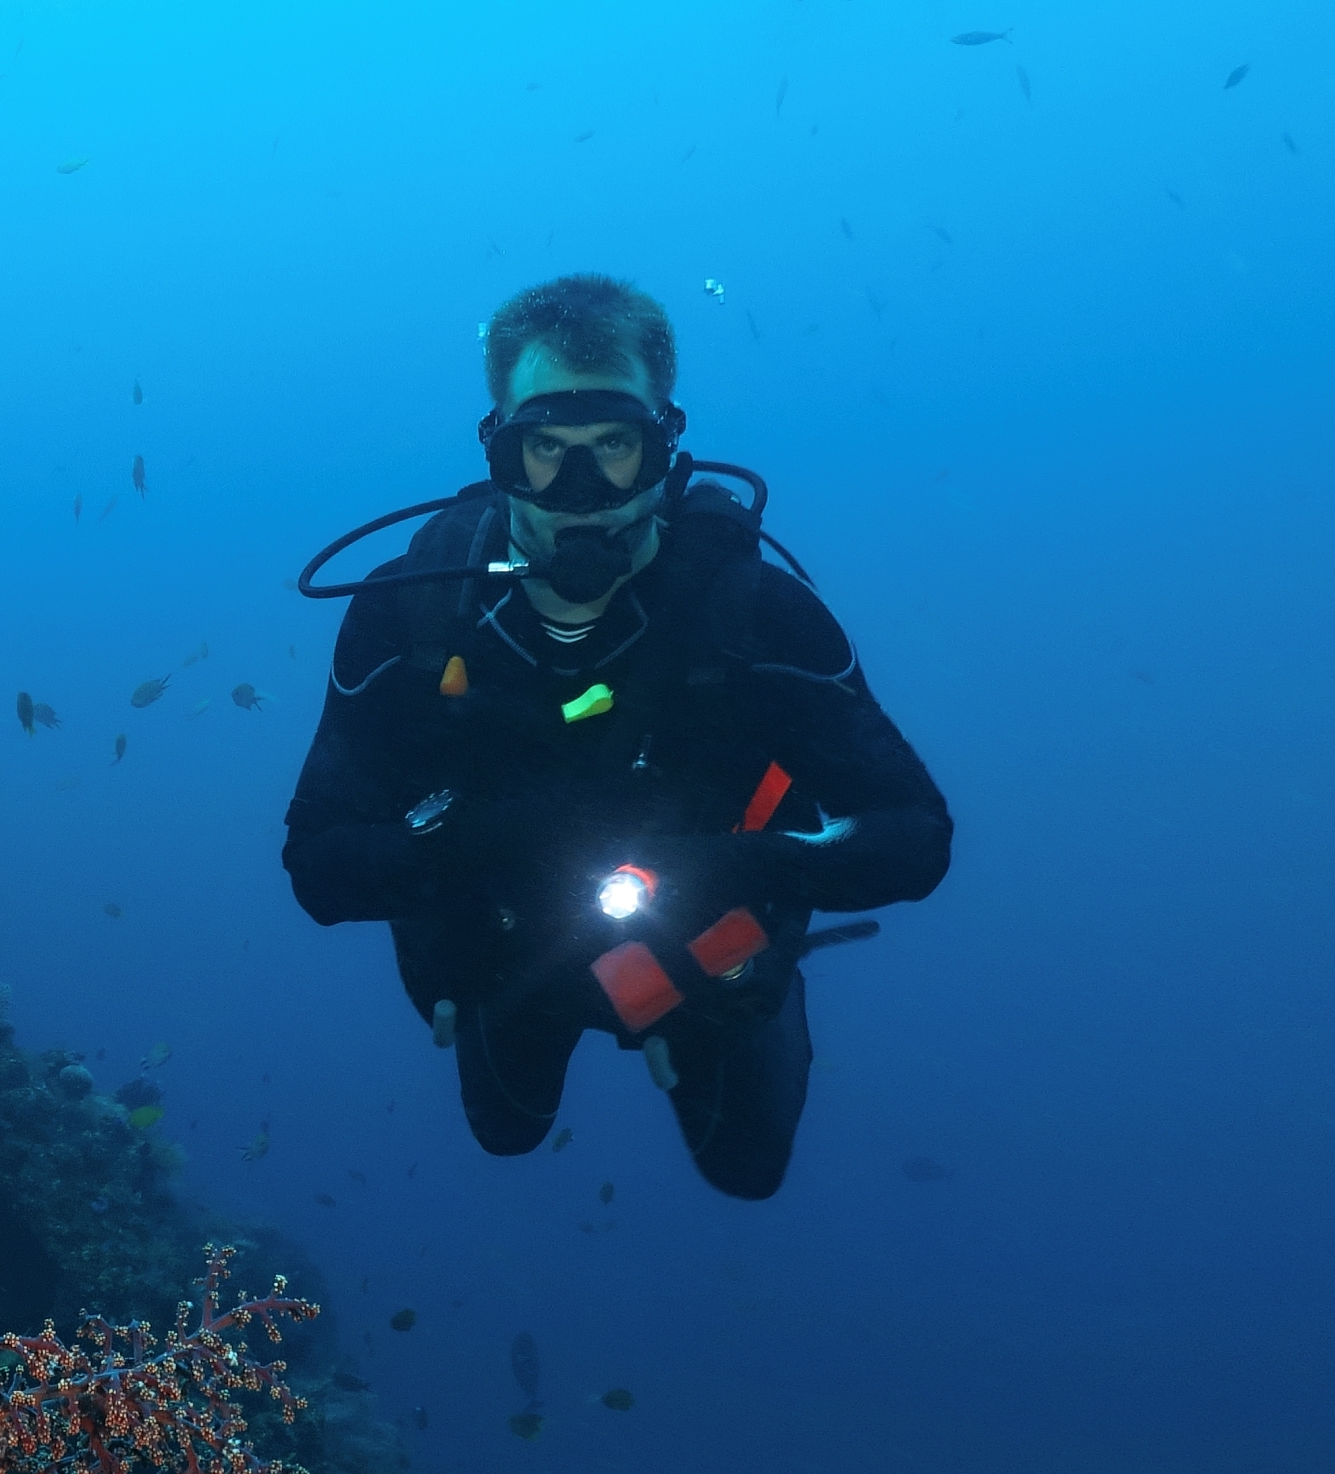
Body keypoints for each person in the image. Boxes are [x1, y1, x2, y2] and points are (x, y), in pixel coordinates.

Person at [282, 274, 950, 1199]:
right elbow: (318, 864)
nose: (582, 490)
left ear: (664, 444)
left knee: (748, 1170)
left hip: (706, 948)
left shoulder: (751, 614)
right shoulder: (417, 615)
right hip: (507, 950)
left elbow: (915, 836)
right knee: (507, 1135)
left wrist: (739, 868)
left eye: (614, 446)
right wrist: (482, 849)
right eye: (545, 449)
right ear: (498, 447)